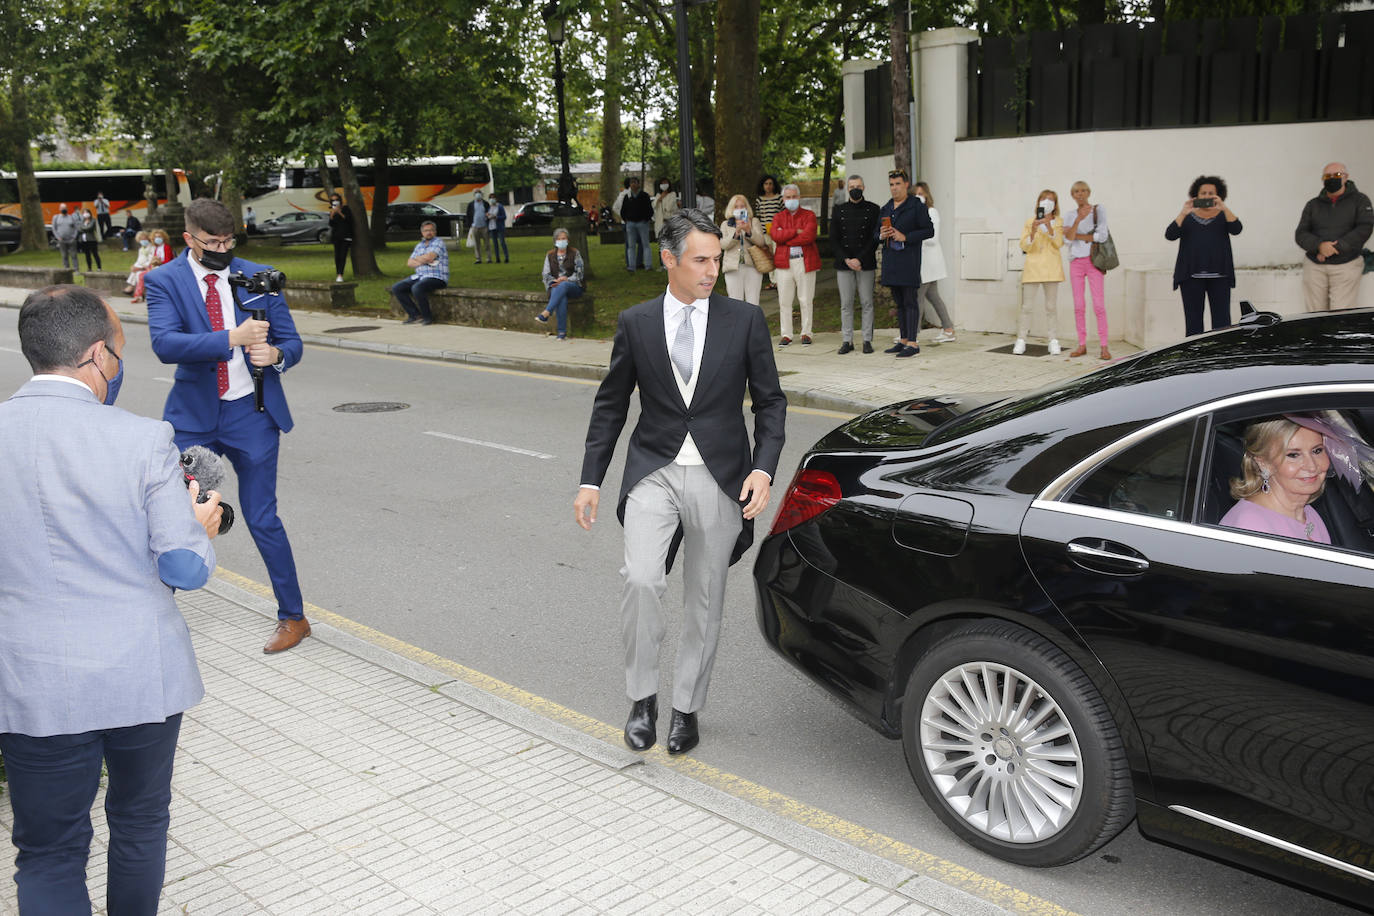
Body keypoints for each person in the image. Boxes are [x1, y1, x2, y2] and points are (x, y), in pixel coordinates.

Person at [0, 285, 223, 914]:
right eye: (120, 354)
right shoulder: (144, 439)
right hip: (140, 676)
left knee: (47, 852)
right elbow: (182, 566)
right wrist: (200, 529)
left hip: (29, 680)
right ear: (98, 355)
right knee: (140, 822)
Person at [574, 208, 786, 757]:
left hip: (721, 476)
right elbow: (611, 405)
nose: (712, 270)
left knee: (705, 598)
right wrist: (591, 479)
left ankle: (686, 708)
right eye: (700, 260)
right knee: (642, 579)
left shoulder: (744, 320)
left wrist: (763, 468)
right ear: (669, 259)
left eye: (717, 259)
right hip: (655, 470)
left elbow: (770, 402)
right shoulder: (636, 322)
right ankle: (642, 698)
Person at [145, 198, 310, 654]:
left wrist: (277, 356)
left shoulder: (259, 276)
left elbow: (292, 342)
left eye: (228, 240)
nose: (222, 248)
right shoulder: (163, 280)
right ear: (189, 239)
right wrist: (230, 339)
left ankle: (294, 617)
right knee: (170, 514)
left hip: (252, 414)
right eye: (212, 242)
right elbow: (165, 343)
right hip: (193, 419)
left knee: (263, 519)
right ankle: (150, 615)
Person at [1220, 416, 1331, 544]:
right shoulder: (1250, 526)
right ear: (1264, 463)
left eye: (1317, 451)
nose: (1312, 466)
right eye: (1293, 455)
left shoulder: (1308, 513)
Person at [1166, 175, 1242, 336]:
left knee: (1222, 324)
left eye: (1211, 193)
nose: (1207, 196)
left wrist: (1224, 207)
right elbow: (1170, 235)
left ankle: (1220, 356)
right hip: (1191, 278)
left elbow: (1237, 229)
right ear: (1196, 195)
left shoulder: (1224, 215)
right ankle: (1194, 358)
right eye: (1203, 193)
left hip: (1220, 277)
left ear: (1218, 195)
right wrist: (1183, 212)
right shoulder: (1187, 217)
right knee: (1193, 323)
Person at [1294, 161, 1373, 312]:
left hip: (1346, 266)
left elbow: (1365, 228)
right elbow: (1301, 234)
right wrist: (1320, 246)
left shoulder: (1360, 200)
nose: (1332, 178)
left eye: (1336, 175)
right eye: (1327, 176)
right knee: (1314, 316)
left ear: (1346, 177)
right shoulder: (1313, 204)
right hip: (1315, 266)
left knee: (1340, 316)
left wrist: (1336, 247)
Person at [878, 169, 934, 359]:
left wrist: (906, 237)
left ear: (906, 185)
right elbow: (874, 234)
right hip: (891, 261)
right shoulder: (886, 208)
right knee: (899, 302)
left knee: (910, 301)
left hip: (908, 260)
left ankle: (913, 343)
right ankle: (903, 340)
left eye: (898, 184)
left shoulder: (915, 205)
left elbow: (929, 230)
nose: (894, 188)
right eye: (891, 185)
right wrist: (880, 235)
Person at [832, 175, 880, 354]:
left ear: (864, 187)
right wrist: (847, 259)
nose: (855, 189)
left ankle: (867, 340)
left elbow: (874, 238)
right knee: (846, 304)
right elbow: (834, 239)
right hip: (844, 264)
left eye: (858, 186)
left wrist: (859, 259)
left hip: (865, 263)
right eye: (852, 186)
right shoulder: (839, 210)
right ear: (847, 189)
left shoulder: (874, 209)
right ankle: (847, 340)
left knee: (867, 302)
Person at [1064, 180, 1111, 360]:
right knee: (1079, 306)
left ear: (1089, 192)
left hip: (1094, 261)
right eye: (1077, 191)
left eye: (1083, 190)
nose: (1080, 194)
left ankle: (1104, 346)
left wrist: (1077, 235)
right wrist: (1077, 221)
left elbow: (1102, 235)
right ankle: (1081, 344)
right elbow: (1067, 241)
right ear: (1073, 195)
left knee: (1099, 305)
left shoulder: (1098, 210)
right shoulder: (1069, 215)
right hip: (1075, 262)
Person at [770, 183, 821, 346]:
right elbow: (775, 236)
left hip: (804, 261)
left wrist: (786, 238)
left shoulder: (809, 215)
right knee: (784, 300)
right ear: (783, 199)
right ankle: (786, 334)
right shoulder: (778, 217)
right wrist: (795, 231)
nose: (791, 200)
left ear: (799, 197)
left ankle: (806, 332)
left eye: (793, 197)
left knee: (806, 298)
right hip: (784, 263)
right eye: (788, 197)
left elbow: (809, 236)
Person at [1016, 189, 1065, 355]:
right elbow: (1024, 245)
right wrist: (1034, 229)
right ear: (1038, 202)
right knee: (1027, 306)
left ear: (1055, 204)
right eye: (1044, 199)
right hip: (1033, 267)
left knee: (1051, 306)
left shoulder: (1058, 221)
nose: (1047, 202)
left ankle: (1053, 340)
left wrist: (1049, 226)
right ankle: (1021, 339)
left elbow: (1058, 243)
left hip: (1052, 268)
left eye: (1051, 200)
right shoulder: (1030, 221)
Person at [914, 182, 955, 344]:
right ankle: (948, 329)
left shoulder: (931, 212)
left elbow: (933, 238)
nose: (919, 197)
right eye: (916, 194)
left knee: (917, 297)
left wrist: (915, 236)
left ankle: (911, 334)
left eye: (921, 194)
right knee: (933, 297)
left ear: (927, 196)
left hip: (930, 264)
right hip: (923, 265)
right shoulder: (916, 215)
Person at [392, 220, 449, 325]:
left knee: (417, 288)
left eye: (431, 230)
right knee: (397, 288)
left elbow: (430, 257)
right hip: (419, 276)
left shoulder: (439, 242)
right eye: (426, 230)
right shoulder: (419, 246)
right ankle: (415, 315)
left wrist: (418, 259)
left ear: (435, 232)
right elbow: (409, 263)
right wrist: (424, 259)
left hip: (436, 277)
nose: (429, 233)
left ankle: (427, 317)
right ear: (422, 233)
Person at [718, 194, 769, 306]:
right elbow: (723, 245)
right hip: (732, 267)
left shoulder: (754, 221)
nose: (740, 209)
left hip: (752, 266)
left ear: (747, 208)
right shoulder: (725, 224)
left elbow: (761, 241)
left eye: (742, 206)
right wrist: (736, 233)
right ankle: (737, 324)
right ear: (731, 208)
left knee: (753, 302)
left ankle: (753, 323)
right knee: (735, 303)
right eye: (736, 206)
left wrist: (748, 231)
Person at [535, 228, 585, 341]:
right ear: (555, 241)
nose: (562, 241)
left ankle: (547, 312)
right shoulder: (550, 255)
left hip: (574, 286)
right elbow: (545, 274)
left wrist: (566, 279)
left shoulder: (575, 253)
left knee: (563, 285)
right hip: (556, 287)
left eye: (564, 238)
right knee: (561, 296)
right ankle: (561, 333)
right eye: (559, 239)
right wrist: (554, 281)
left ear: (568, 240)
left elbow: (580, 274)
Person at [754, 176, 784, 290]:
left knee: (778, 254)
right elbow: (759, 216)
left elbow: (782, 214)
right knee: (769, 256)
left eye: (770, 183)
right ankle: (773, 281)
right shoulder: (759, 200)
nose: (768, 186)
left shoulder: (779, 199)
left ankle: (780, 279)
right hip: (765, 232)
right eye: (766, 184)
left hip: (777, 231)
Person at [620, 176, 653, 272]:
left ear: (638, 184)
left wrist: (646, 219)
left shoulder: (644, 196)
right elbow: (623, 210)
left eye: (635, 182)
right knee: (631, 246)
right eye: (631, 183)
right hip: (630, 223)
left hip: (642, 223)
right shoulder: (627, 196)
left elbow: (649, 210)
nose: (633, 184)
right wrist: (626, 220)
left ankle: (648, 265)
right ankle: (631, 266)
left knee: (645, 244)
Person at [651, 179, 680, 270]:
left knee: (671, 243)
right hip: (660, 223)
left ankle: (672, 263)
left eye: (665, 183)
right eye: (662, 183)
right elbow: (654, 205)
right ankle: (662, 264)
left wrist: (663, 199)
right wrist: (660, 198)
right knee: (662, 244)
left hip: (669, 221)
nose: (664, 185)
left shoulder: (672, 194)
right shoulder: (658, 195)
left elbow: (669, 207)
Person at [126, 230, 154, 300]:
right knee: (135, 272)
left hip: (147, 267)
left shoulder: (151, 247)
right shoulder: (141, 249)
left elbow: (151, 260)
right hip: (141, 266)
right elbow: (139, 260)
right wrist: (135, 266)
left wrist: (140, 268)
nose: (143, 240)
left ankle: (133, 288)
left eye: (145, 239)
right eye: (141, 239)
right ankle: (137, 292)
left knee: (139, 274)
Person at [52, 203, 81, 270]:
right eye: (62, 208)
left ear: (67, 209)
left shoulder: (71, 217)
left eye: (65, 208)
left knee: (74, 255)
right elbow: (54, 228)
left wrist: (74, 237)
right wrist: (58, 237)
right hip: (62, 240)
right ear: (59, 209)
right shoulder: (56, 218)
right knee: (64, 256)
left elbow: (76, 228)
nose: (63, 209)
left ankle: (76, 269)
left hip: (71, 240)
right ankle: (66, 270)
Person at [467, 191, 492, 264]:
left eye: (479, 194)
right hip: (475, 226)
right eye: (476, 194)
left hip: (484, 226)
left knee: (487, 243)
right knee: (477, 244)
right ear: (474, 195)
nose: (478, 195)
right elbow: (468, 215)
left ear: (481, 195)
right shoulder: (471, 204)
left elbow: (489, 213)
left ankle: (489, 258)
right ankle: (478, 259)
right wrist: (470, 225)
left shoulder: (485, 204)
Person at [487, 195, 509, 263]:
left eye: (493, 198)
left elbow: (504, 216)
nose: (492, 199)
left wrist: (496, 217)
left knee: (502, 242)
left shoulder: (500, 206)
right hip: (492, 227)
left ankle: (506, 257)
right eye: (490, 198)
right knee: (495, 243)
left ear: (496, 199)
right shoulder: (489, 207)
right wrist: (488, 216)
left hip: (499, 227)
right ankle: (497, 258)